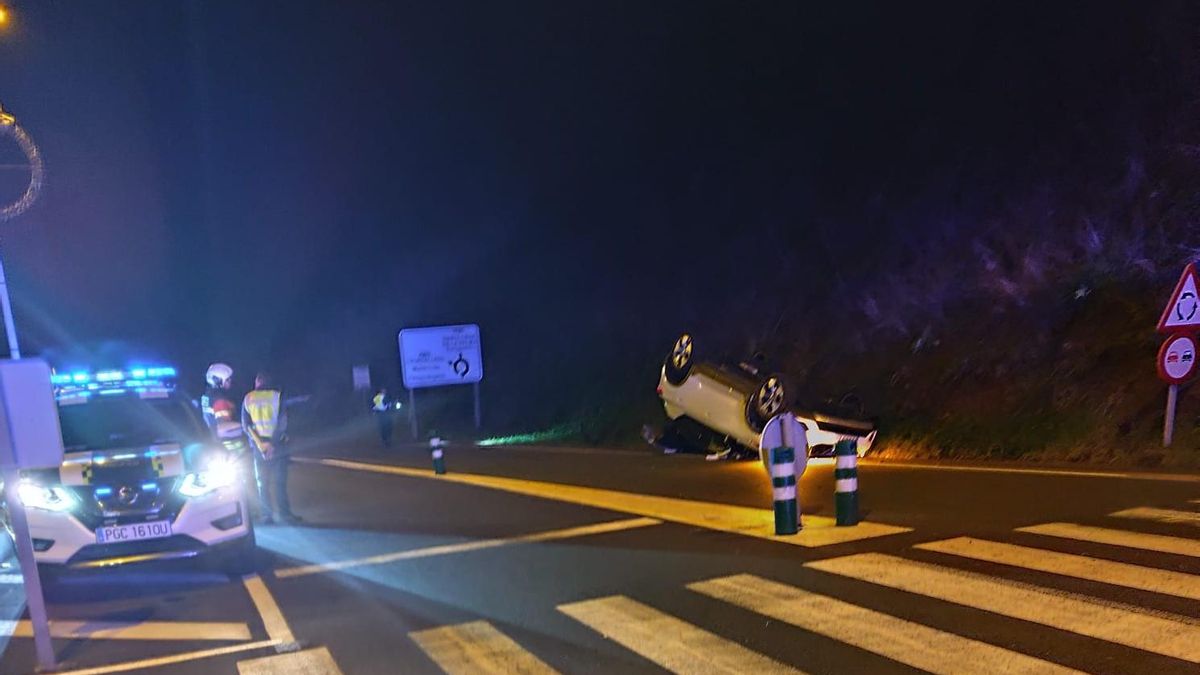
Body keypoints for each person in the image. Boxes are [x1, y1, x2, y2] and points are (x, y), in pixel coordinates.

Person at [242, 371, 300, 524]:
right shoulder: (277, 396)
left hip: (258, 447)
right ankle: (285, 514)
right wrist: (272, 444)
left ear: (258, 382)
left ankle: (267, 516)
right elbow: (282, 423)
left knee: (262, 483)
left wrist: (261, 444)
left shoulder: (248, 398)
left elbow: (246, 425)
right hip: (278, 446)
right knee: (279, 482)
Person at [201, 363, 237, 430]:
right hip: (222, 438)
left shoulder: (206, 396)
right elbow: (225, 425)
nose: (230, 381)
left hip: (209, 435)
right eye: (227, 379)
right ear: (218, 381)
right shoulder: (219, 400)